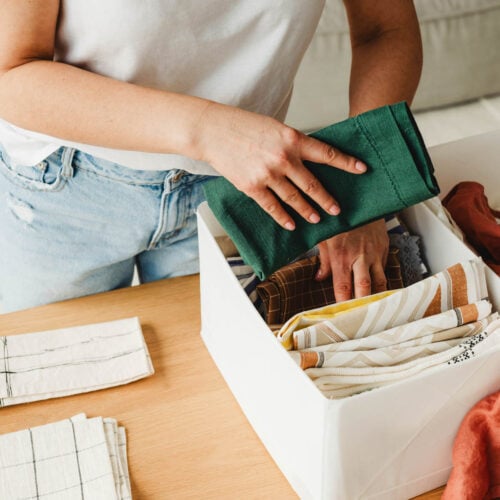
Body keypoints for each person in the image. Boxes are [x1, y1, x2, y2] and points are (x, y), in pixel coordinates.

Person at [0, 1, 423, 312]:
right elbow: (10, 73)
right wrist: (206, 130)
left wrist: (368, 192)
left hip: (241, 186)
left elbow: (384, 30)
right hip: (63, 188)